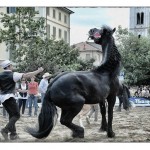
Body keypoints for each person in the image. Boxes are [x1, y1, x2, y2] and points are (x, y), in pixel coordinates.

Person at [0, 60, 43, 140]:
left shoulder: (0, 75)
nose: (12, 66)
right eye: (11, 65)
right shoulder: (13, 74)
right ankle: (5, 130)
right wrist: (38, 71)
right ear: (9, 66)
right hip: (9, 97)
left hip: (2, 97)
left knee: (12, 115)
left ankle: (13, 134)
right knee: (16, 115)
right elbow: (27, 75)